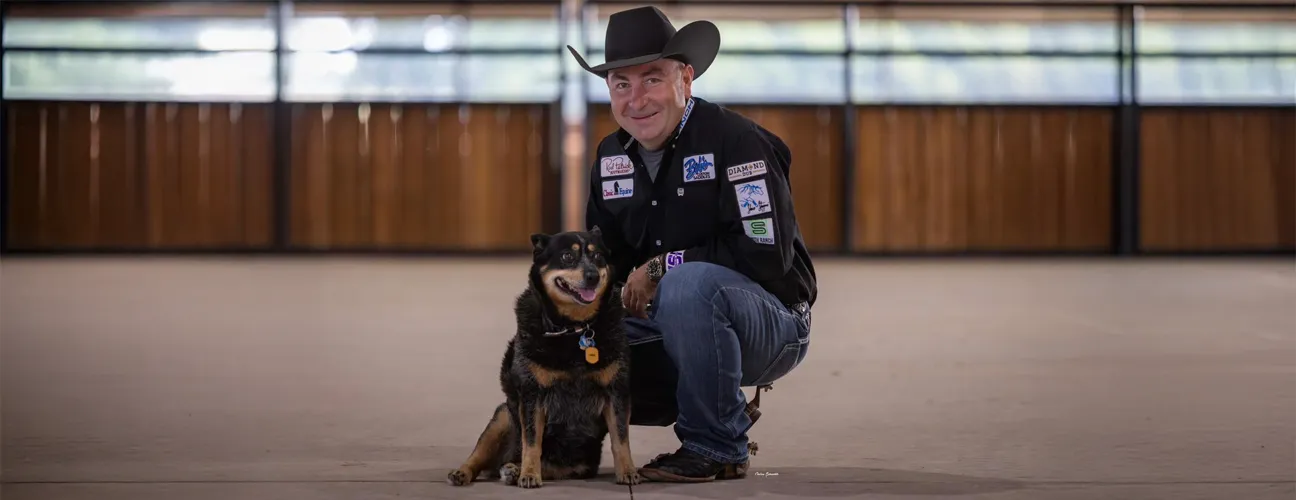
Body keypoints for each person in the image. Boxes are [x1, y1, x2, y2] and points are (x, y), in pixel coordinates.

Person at [568, 5, 818, 483]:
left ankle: (718, 445)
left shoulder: (738, 143)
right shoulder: (611, 158)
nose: (636, 99)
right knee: (565, 332)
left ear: (686, 78)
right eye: (622, 84)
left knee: (687, 284)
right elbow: (607, 258)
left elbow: (766, 255)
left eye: (652, 79)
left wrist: (662, 266)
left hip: (773, 322)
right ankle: (563, 448)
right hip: (669, 320)